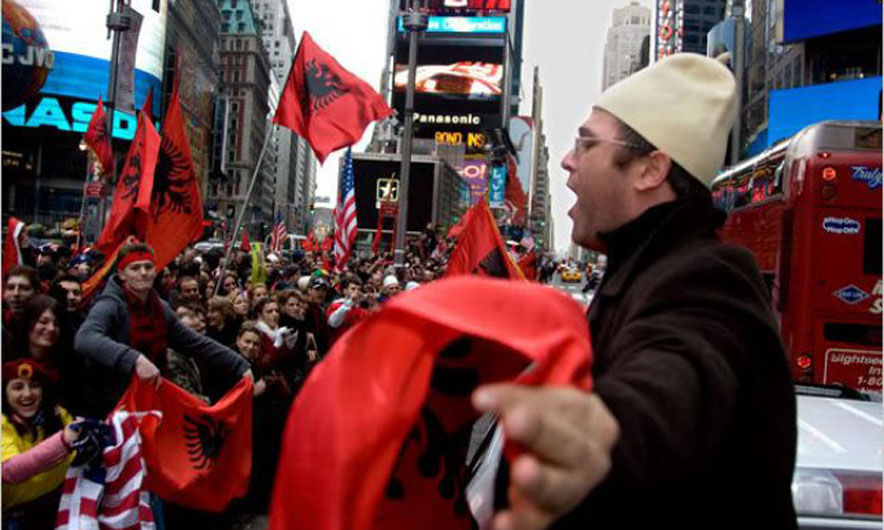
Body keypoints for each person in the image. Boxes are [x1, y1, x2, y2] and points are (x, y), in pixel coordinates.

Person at [472, 53, 796, 529]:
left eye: (586, 144)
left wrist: (596, 441)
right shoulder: (642, 269)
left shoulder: (706, 279)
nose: (567, 160)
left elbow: (674, 385)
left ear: (650, 170)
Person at [74, 242, 252, 416]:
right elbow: (85, 338)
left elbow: (195, 343)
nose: (143, 273)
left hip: (150, 403)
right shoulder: (110, 304)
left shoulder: (160, 308)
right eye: (135, 268)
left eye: (148, 267)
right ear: (122, 274)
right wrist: (135, 360)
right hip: (113, 408)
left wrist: (239, 365)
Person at [2, 359, 80, 529]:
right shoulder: (2, 423)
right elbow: (9, 471)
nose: (28, 394)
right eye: (17, 387)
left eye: (34, 385)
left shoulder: (58, 415)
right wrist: (62, 442)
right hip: (14, 514)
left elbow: (76, 457)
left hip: (57, 503)